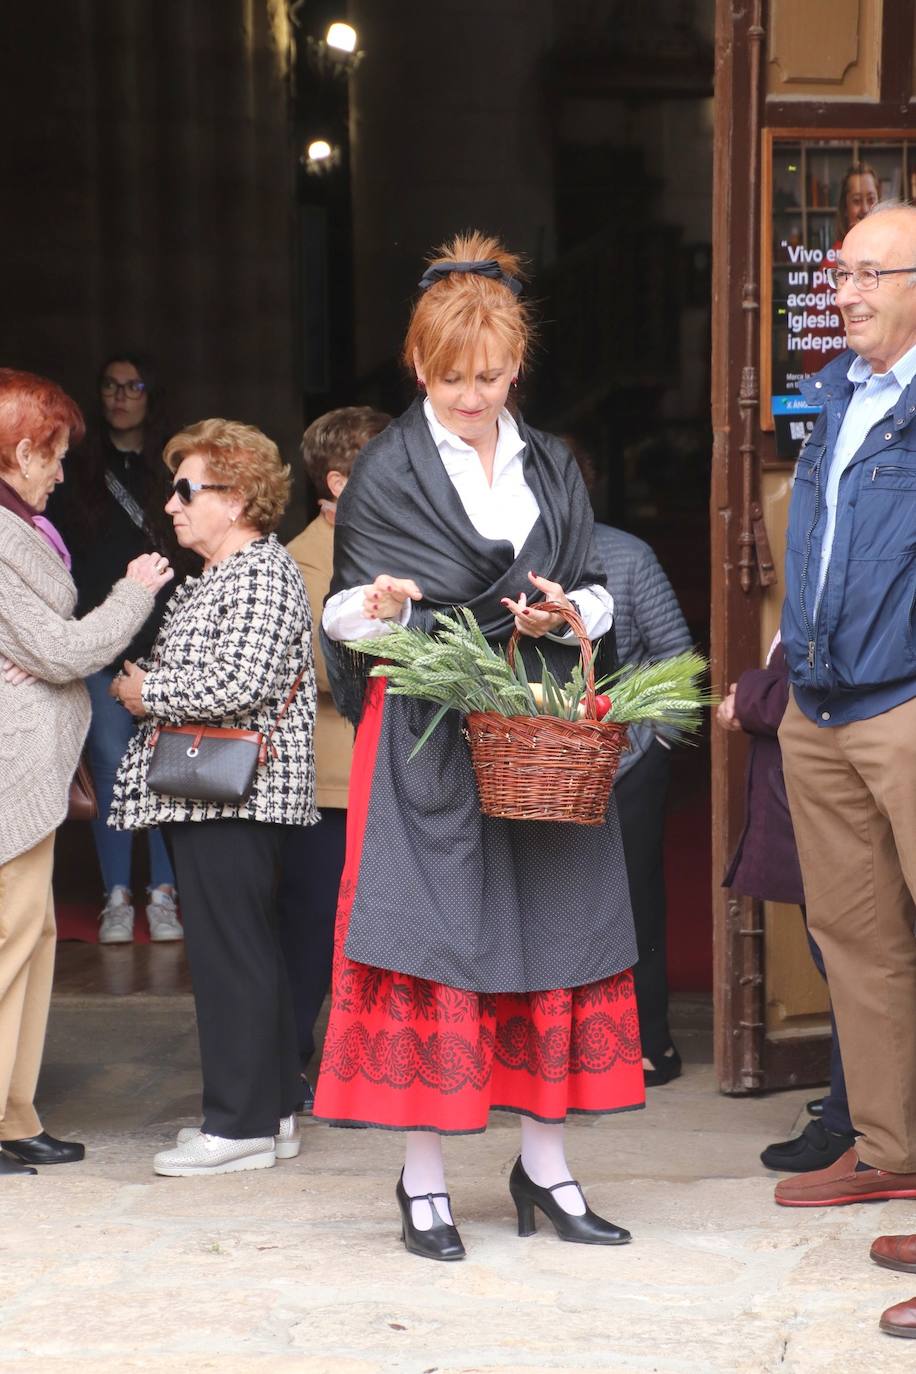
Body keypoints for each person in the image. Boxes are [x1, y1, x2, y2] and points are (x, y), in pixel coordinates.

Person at [314, 232, 644, 1261]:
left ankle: (544, 1168)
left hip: (535, 727)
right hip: (427, 740)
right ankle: (423, 1185)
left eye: (492, 376)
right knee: (434, 948)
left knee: (553, 934)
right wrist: (374, 609)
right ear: (419, 366)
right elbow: (341, 620)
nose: (473, 395)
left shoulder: (549, 460)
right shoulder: (384, 472)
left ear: (516, 368)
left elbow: (597, 584)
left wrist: (559, 611)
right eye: (453, 377)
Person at [773, 203, 916, 1339]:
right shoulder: (833, 394)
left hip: (908, 707)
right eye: (840, 273)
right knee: (858, 945)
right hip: (821, 711)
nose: (845, 291)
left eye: (870, 273)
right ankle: (892, 1155)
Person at [108, 419, 318, 1177]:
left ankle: (238, 1126)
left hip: (236, 795)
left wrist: (145, 690)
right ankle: (274, 1112)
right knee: (249, 952)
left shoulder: (259, 571)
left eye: (186, 489)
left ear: (235, 500)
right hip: (224, 792)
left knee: (232, 957)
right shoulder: (232, 573)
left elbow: (242, 685)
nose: (171, 504)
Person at [0, 367, 172, 1176]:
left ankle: (15, 1111)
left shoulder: (23, 527)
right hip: (9, 769)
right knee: (7, 941)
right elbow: (62, 648)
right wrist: (134, 594)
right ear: (19, 448)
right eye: (54, 455)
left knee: (30, 938)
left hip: (32, 762)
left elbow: (48, 655)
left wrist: (57, 675)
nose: (62, 472)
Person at [50, 352, 186, 944]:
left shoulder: (173, 468)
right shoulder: (76, 469)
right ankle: (115, 895)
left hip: (165, 646)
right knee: (110, 768)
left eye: (134, 385)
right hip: (100, 641)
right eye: (110, 385)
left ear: (152, 394)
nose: (121, 395)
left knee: (167, 771)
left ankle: (163, 892)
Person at [569, 440, 692, 1085]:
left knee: (635, 900)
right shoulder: (502, 561)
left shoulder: (627, 555)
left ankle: (650, 1042)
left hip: (629, 762)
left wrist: (657, 742)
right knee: (546, 906)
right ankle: (551, 1050)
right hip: (535, 768)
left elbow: (677, 656)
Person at [279, 406, 391, 1107]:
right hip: (330, 780)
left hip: (386, 771)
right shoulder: (300, 558)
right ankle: (288, 1062)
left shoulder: (382, 542)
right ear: (341, 480)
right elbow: (315, 665)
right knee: (312, 928)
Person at [717, 639, 854, 1171]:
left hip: (837, 811)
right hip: (812, 806)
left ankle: (849, 1123)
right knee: (840, 966)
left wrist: (750, 697)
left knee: (852, 971)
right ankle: (860, 1097)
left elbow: (838, 693)